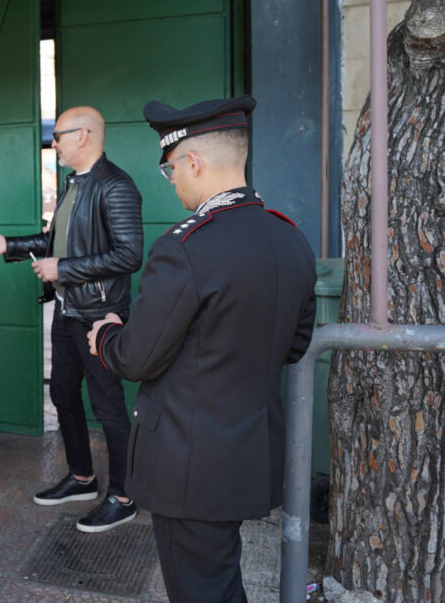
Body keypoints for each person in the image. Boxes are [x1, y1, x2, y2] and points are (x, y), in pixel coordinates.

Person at [87, 95, 316, 601]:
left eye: (171, 170)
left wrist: (105, 333)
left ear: (194, 162)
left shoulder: (186, 245)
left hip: (189, 464)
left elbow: (135, 357)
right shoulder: (289, 237)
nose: (172, 183)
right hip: (249, 455)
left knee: (200, 590)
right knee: (217, 579)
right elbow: (295, 345)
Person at [0, 106, 143, 532]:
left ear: (83, 135)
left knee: (109, 408)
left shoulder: (115, 186)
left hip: (99, 318)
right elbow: (53, 241)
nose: (54, 143)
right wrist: (9, 245)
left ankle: (123, 496)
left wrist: (62, 269)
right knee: (63, 395)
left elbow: (129, 255)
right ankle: (83, 478)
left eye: (60, 135)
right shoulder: (74, 185)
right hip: (68, 311)